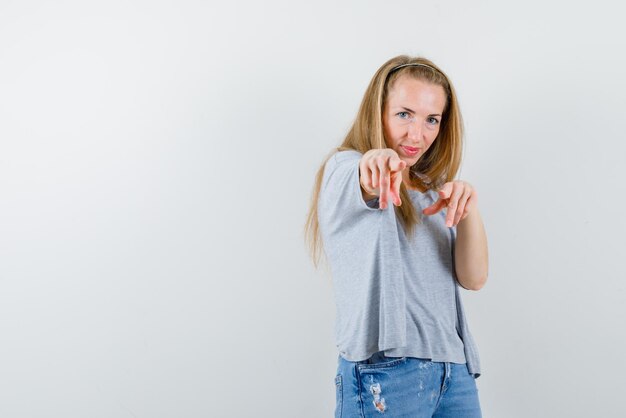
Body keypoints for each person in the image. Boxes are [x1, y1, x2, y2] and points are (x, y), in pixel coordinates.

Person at [304, 55, 489, 417]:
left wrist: (469, 211)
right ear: (378, 112)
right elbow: (365, 176)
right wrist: (373, 164)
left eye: (431, 119)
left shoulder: (435, 191)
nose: (417, 134)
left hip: (454, 374)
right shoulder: (344, 168)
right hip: (387, 374)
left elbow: (475, 278)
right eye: (404, 114)